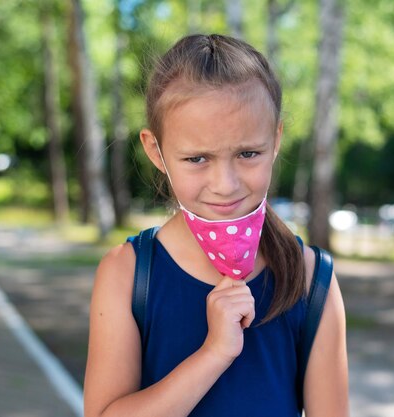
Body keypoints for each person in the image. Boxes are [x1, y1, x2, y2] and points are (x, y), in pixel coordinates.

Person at [83, 34, 349, 417]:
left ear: (275, 140)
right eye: (196, 159)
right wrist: (214, 354)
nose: (225, 184)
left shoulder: (311, 279)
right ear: (156, 151)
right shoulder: (126, 273)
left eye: (248, 153)